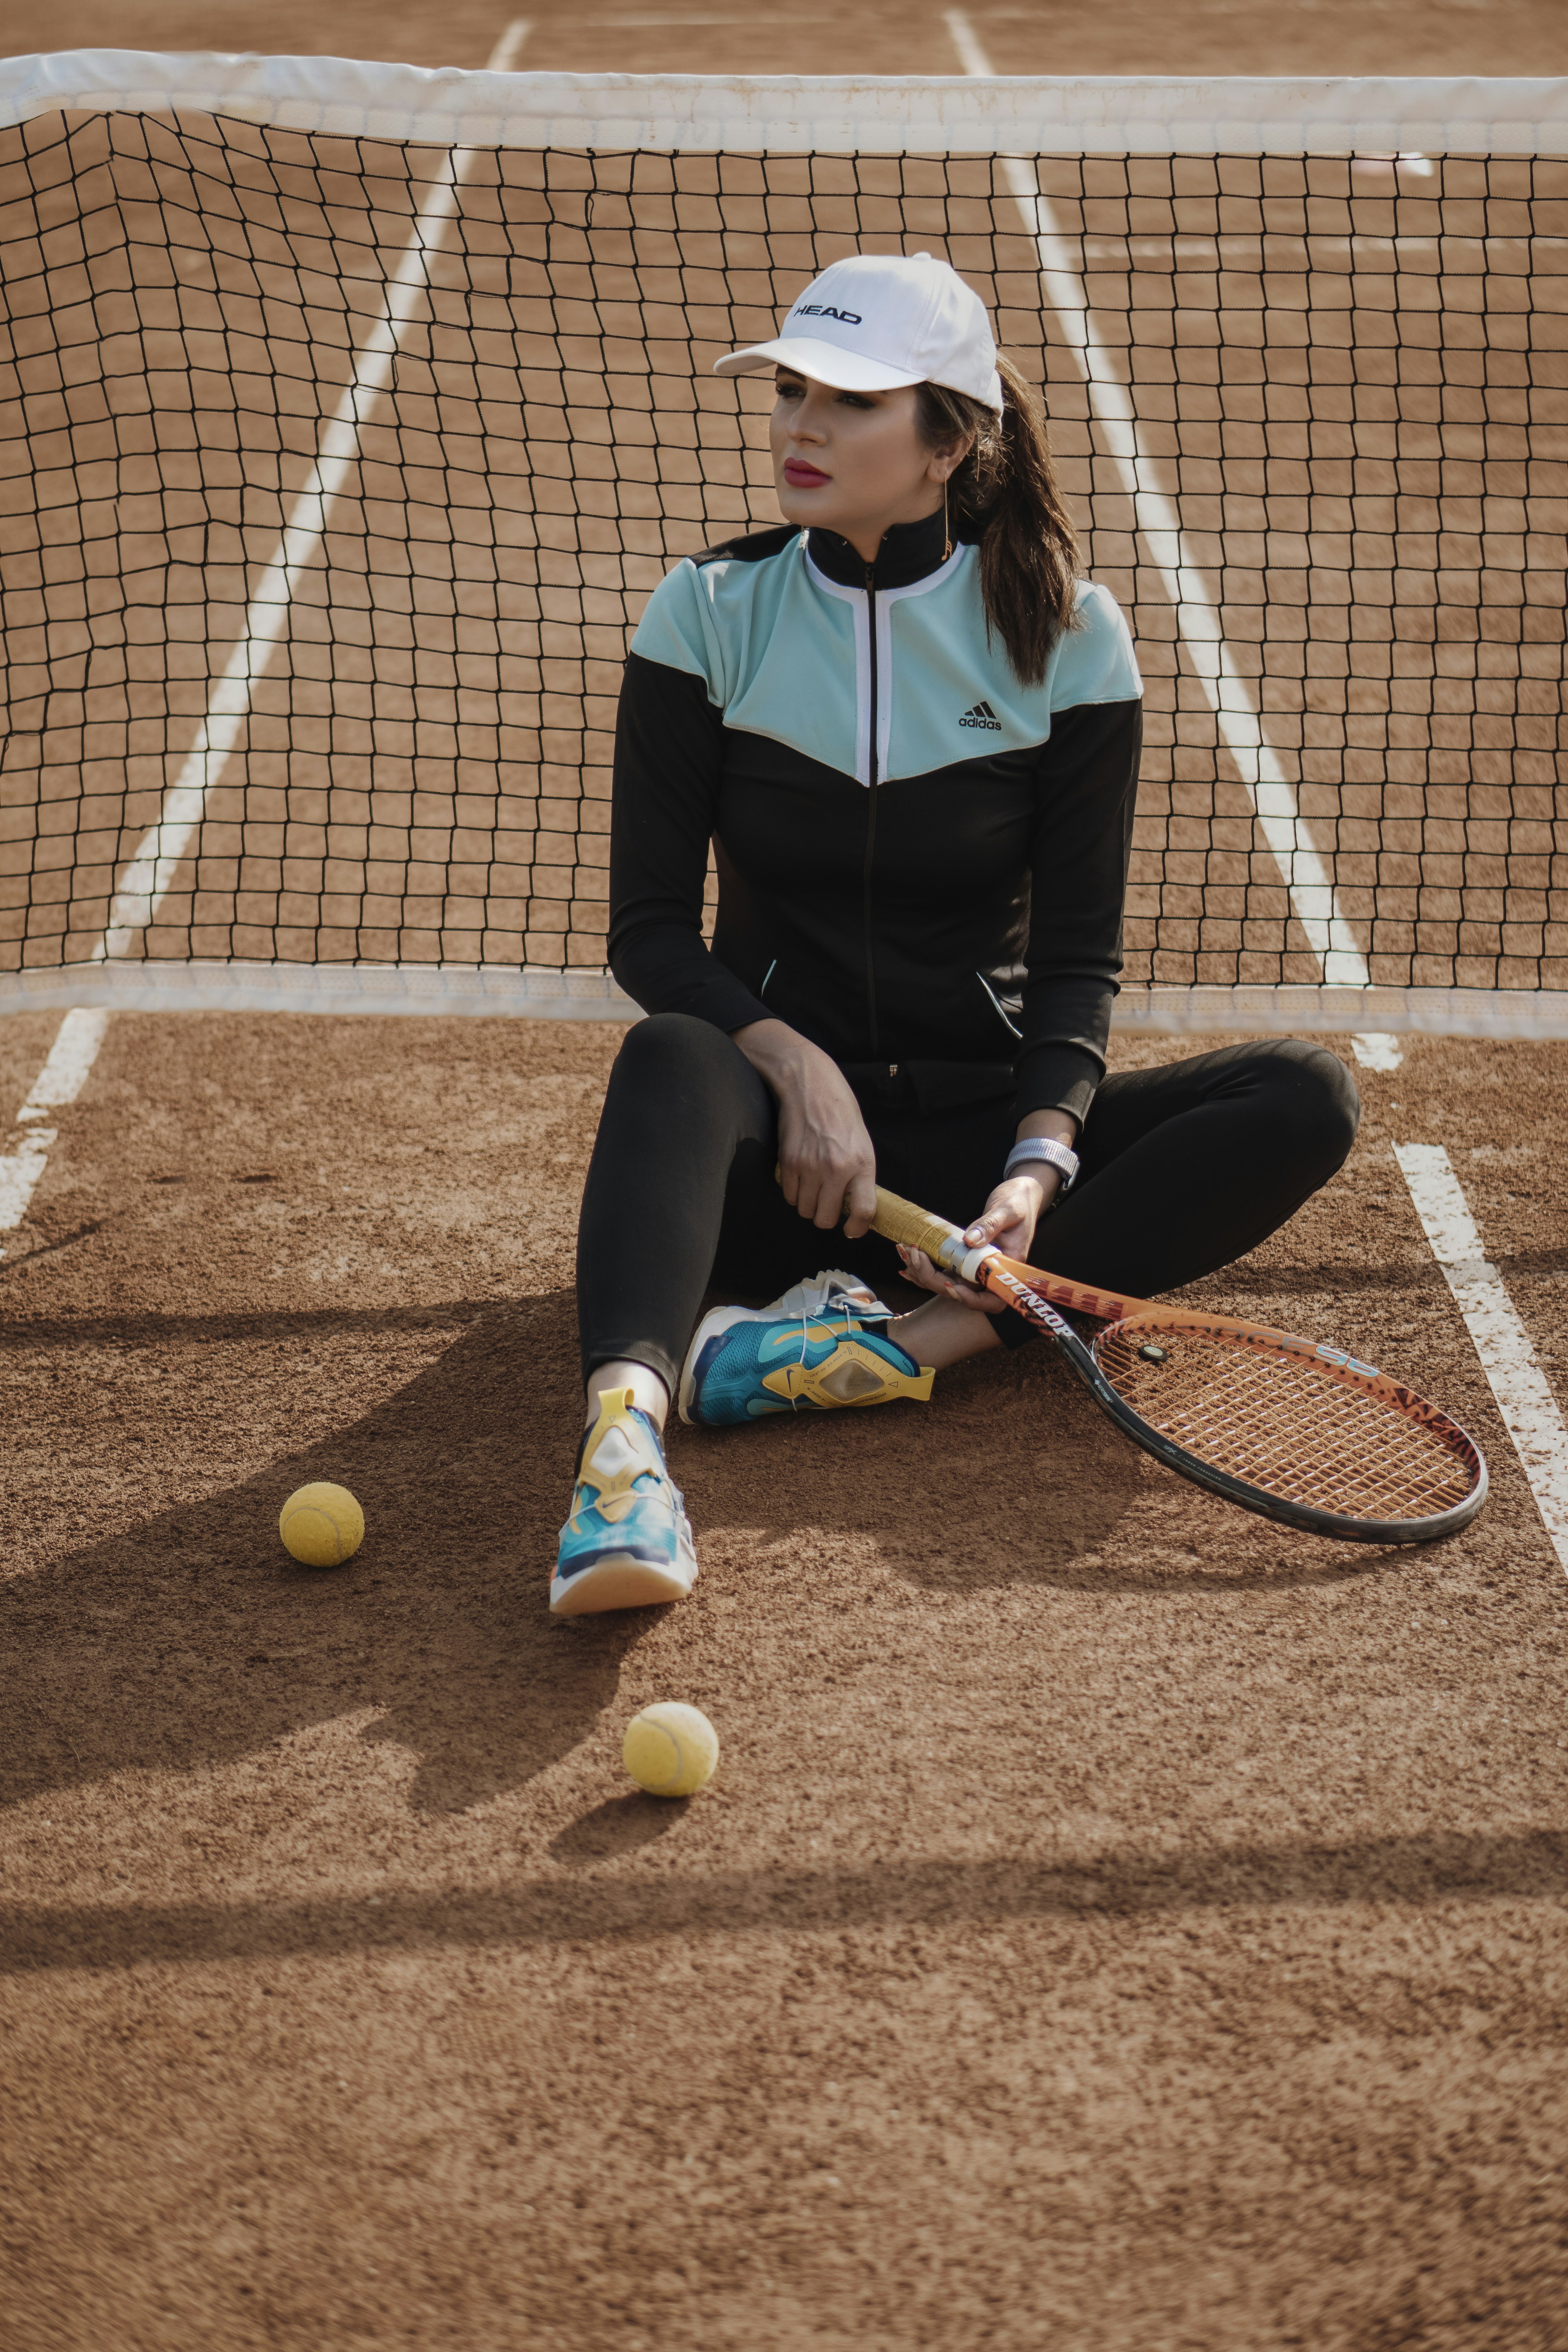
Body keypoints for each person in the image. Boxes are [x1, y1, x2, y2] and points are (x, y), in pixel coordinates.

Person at [551, 251, 1359, 1617]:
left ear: (949, 442)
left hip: (959, 1185)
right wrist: (796, 1072)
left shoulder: (1066, 638)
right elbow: (647, 931)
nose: (799, 425)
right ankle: (623, 1451)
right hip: (781, 1177)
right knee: (676, 1056)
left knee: (1303, 1097)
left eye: (847, 402)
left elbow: (1077, 960)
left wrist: (1035, 1175)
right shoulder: (707, 614)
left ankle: (912, 1345)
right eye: (792, 389)